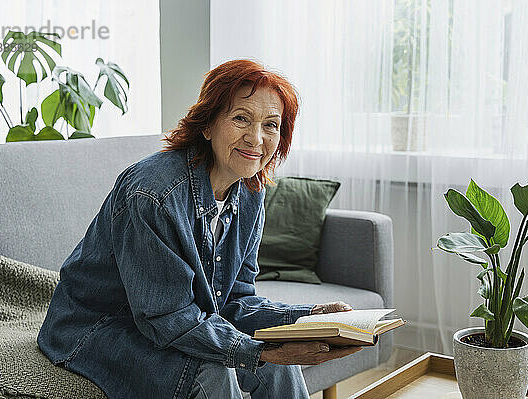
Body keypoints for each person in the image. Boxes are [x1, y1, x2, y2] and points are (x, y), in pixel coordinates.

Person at [37, 59, 363, 399]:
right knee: (215, 374)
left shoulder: (250, 192)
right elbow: (166, 317)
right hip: (100, 327)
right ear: (207, 125)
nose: (256, 138)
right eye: (241, 118)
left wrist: (310, 318)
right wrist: (259, 351)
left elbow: (234, 301)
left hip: (167, 321)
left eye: (271, 125)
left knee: (279, 365)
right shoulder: (153, 195)